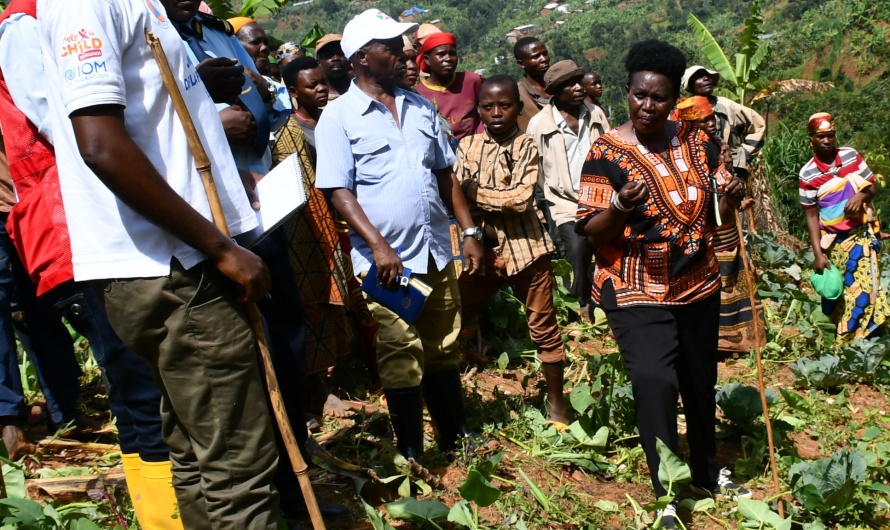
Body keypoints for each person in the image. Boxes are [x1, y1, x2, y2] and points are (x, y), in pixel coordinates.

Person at [37, 0, 280, 527]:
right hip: (178, 267)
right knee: (239, 471)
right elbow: (100, 145)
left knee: (198, 454)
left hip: (177, 263)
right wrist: (217, 247)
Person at [0, 6, 178, 529]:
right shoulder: (27, 24)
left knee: (136, 375)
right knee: (134, 376)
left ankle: (163, 511)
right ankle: (165, 516)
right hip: (84, 221)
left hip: (100, 216)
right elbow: (67, 124)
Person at [575, 40, 751, 528]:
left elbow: (720, 203)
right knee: (655, 381)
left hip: (697, 283)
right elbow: (589, 230)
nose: (647, 106)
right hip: (634, 288)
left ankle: (707, 470)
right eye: (638, 95)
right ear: (626, 92)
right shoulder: (606, 151)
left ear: (674, 99)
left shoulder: (697, 140)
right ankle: (668, 492)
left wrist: (733, 192)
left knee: (700, 381)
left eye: (658, 98)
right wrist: (621, 206)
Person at [315, 9, 484, 462]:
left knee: (444, 344)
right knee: (400, 349)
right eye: (389, 46)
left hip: (433, 249)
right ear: (361, 58)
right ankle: (410, 450)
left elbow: (444, 174)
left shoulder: (419, 105)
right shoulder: (339, 118)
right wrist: (377, 244)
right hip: (387, 261)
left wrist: (467, 230)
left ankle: (455, 436)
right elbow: (337, 189)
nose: (402, 53)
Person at [454, 75, 567, 424]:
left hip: (527, 250)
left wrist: (471, 195)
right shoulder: (467, 146)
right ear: (479, 110)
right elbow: (452, 190)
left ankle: (557, 404)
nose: (497, 113)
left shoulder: (527, 145)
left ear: (518, 109)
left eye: (504, 105)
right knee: (457, 314)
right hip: (481, 250)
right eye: (488, 107)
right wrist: (472, 199)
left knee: (543, 325)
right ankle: (459, 396)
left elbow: (520, 199)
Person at [273, 56, 362, 419]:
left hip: (344, 226)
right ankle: (317, 391)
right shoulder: (288, 134)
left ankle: (341, 380)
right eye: (312, 85)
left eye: (323, 82)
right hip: (310, 233)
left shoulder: (337, 121)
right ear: (294, 92)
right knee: (315, 306)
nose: (322, 89)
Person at [675, 96, 766, 354]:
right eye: (703, 121)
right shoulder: (685, 155)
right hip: (705, 232)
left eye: (711, 117)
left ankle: (740, 342)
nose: (711, 123)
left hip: (727, 226)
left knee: (735, 278)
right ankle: (713, 344)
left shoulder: (718, 147)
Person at [527, 59, 609, 323]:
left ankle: (609, 298)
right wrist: (548, 195)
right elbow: (534, 167)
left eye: (578, 81)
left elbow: (610, 150)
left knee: (609, 244)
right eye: (569, 84)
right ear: (556, 91)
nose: (578, 88)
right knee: (574, 247)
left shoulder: (595, 114)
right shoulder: (539, 124)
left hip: (600, 196)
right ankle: (579, 305)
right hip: (563, 200)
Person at [799, 112, 889, 346]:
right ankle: (846, 339)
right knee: (843, 294)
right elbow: (811, 215)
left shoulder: (851, 156)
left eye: (830, 135)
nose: (827, 141)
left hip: (861, 236)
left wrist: (861, 195)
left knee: (867, 289)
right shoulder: (807, 173)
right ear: (812, 140)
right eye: (821, 137)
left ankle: (863, 339)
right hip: (834, 241)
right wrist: (818, 254)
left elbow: (871, 189)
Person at [681, 65, 765, 180]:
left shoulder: (726, 105)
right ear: (690, 86)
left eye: (708, 76)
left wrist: (743, 154)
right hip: (700, 171)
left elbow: (758, 125)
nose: (706, 79)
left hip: (730, 171)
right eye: (699, 77)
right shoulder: (685, 110)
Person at [414, 32, 484, 142]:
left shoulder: (471, 81)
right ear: (427, 60)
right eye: (441, 54)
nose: (448, 58)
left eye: (452, 53)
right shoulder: (417, 94)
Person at [513, 37, 550, 132]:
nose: (544, 59)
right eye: (536, 57)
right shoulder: (517, 95)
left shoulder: (560, 86)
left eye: (545, 54)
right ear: (522, 64)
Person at [316, 34, 351, 100]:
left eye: (341, 53)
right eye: (328, 54)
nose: (335, 58)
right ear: (319, 63)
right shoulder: (317, 99)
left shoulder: (364, 91)